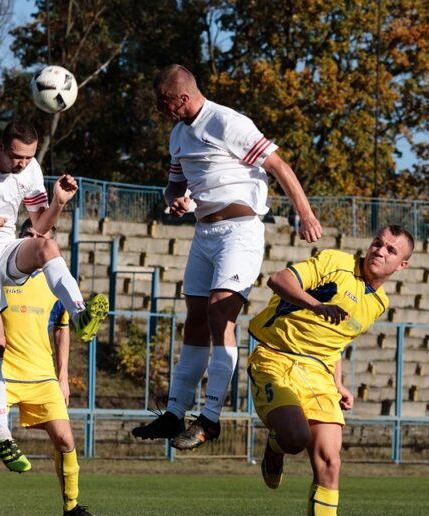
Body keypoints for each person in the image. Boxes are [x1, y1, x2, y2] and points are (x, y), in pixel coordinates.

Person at [132, 64, 323, 450]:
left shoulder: (227, 122)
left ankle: (211, 418)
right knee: (196, 320)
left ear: (182, 98)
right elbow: (172, 187)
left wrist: (306, 214)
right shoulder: (177, 135)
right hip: (204, 233)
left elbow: (279, 167)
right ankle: (174, 414)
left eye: (163, 102)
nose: (160, 110)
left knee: (221, 313)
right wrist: (177, 201)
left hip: (240, 231)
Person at [248, 225, 413, 516]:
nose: (380, 251)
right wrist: (316, 304)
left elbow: (337, 341)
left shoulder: (378, 303)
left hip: (320, 374)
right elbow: (277, 280)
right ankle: (277, 445)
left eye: (390, 250)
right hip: (277, 358)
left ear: (401, 266)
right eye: (377, 243)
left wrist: (339, 383)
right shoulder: (335, 262)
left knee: (331, 462)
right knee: (294, 438)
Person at [0, 119, 108, 474]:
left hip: (3, 251)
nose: (23, 163)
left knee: (47, 246)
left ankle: (79, 314)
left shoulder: (31, 169)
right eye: (17, 156)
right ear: (0, 146)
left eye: (28, 157)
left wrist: (59, 202)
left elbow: (39, 225)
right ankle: (2, 434)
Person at [0, 221, 102, 516]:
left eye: (40, 237)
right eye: (27, 235)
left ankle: (72, 508)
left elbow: (62, 330)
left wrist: (63, 376)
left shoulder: (54, 283)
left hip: (42, 377)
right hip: (2, 375)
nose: (33, 240)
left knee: (66, 438)